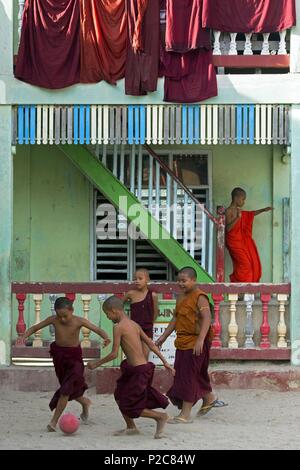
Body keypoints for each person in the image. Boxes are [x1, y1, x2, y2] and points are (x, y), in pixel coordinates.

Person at [17, 297, 111, 432]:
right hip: (60, 358)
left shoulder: (79, 321)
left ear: (71, 310)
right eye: (59, 316)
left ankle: (53, 422)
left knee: (66, 390)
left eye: (65, 316)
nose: (62, 319)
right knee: (67, 388)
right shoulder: (53, 319)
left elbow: (97, 329)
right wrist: (24, 336)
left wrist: (106, 337)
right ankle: (85, 402)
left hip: (75, 360)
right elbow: (36, 327)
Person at [87, 296, 175, 439]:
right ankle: (131, 427)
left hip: (139, 372)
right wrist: (164, 361)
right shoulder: (134, 324)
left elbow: (114, 354)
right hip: (136, 368)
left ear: (114, 311)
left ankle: (160, 417)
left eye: (107, 314)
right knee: (119, 396)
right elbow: (151, 344)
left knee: (131, 405)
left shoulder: (118, 327)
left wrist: (96, 363)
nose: (108, 318)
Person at [156, 267, 227, 423]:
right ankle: (209, 398)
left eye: (184, 281)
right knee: (190, 374)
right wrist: (163, 337)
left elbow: (207, 318)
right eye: (179, 280)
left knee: (189, 376)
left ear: (194, 280)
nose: (180, 283)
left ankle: (185, 414)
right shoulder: (181, 297)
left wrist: (200, 339)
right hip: (183, 342)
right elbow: (175, 319)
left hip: (196, 343)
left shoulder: (199, 297)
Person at [225, 187, 273, 282]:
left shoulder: (240, 211)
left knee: (250, 263)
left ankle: (243, 287)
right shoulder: (229, 211)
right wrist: (237, 218)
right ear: (236, 198)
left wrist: (263, 210)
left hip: (241, 241)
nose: (244, 202)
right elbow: (228, 228)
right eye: (243, 199)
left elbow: (251, 214)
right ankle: (241, 285)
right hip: (233, 242)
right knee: (245, 265)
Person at [123, 268, 159, 358]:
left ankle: (143, 372)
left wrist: (150, 323)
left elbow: (155, 312)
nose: (137, 281)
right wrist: (126, 320)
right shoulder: (131, 294)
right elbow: (119, 305)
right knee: (134, 355)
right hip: (134, 329)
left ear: (147, 280)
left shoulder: (153, 295)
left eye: (140, 278)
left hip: (147, 329)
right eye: (135, 279)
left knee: (145, 355)